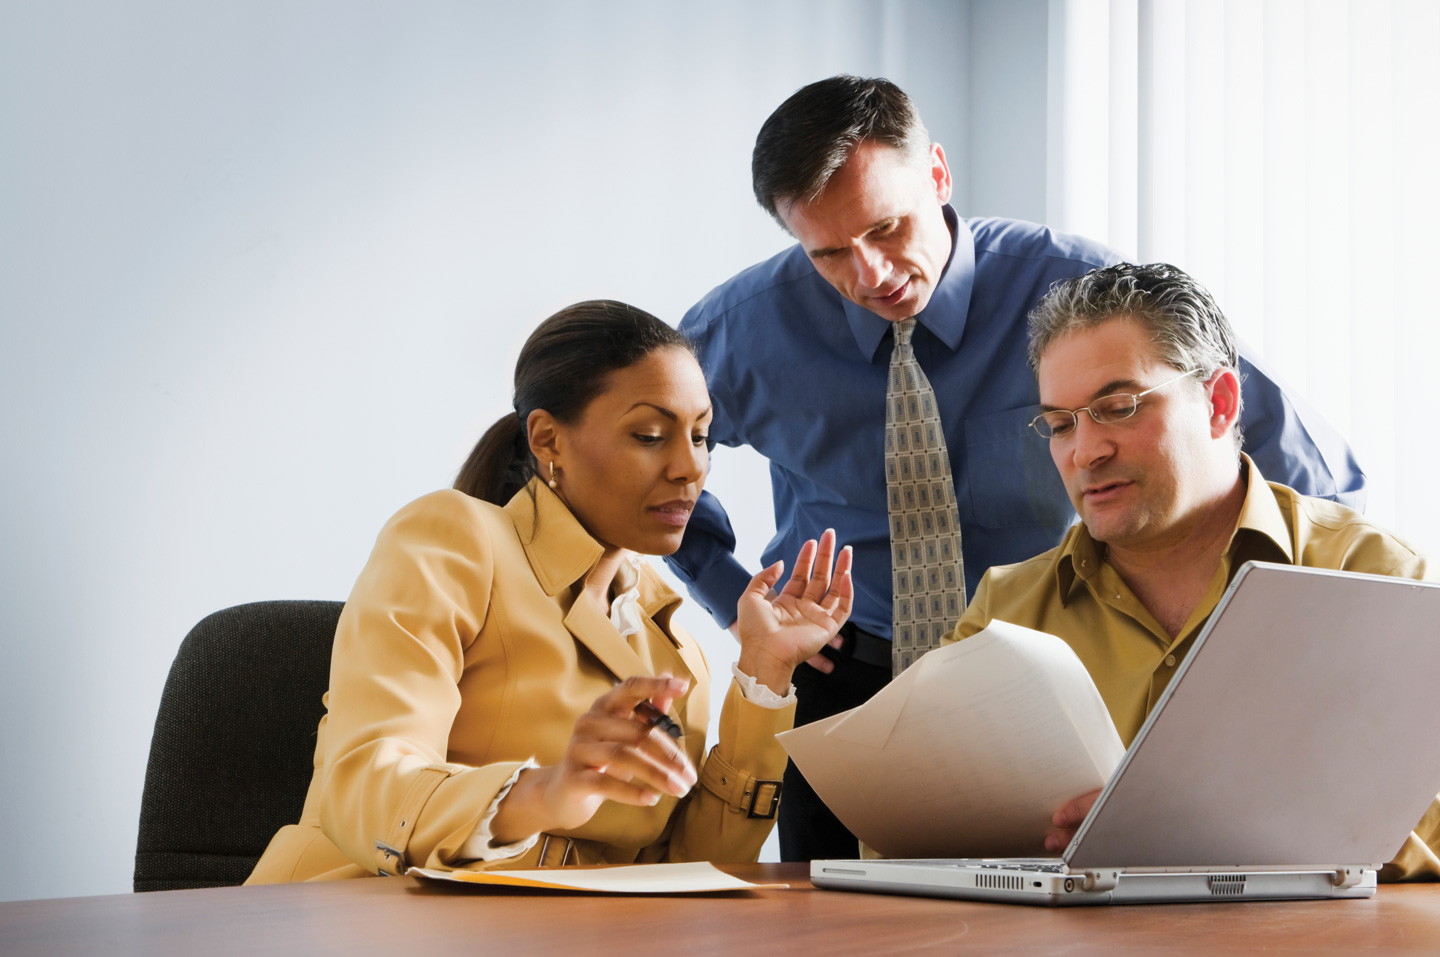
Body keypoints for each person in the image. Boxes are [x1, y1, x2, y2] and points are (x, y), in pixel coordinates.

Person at [665, 74, 1367, 862]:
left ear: (937, 174)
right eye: (829, 253)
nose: (869, 275)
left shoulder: (1076, 289)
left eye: (888, 228)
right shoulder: (744, 327)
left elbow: (1312, 468)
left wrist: (1243, 640)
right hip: (846, 679)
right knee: (832, 923)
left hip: (1054, 674)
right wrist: (730, 595)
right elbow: (645, 464)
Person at [245, 300, 853, 883]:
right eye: (649, 435)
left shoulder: (674, 649)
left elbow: (688, 869)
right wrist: (545, 792)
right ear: (547, 440)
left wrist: (764, 671)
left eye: (699, 436)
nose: (689, 467)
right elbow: (365, 787)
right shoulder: (455, 541)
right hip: (365, 915)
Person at [941, 262, 1439, 880]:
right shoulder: (1003, 611)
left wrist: (1223, 826)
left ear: (1219, 403)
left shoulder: (1378, 578)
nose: (1085, 452)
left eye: (1118, 407)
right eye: (1062, 425)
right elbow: (905, 834)